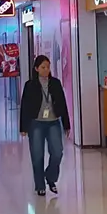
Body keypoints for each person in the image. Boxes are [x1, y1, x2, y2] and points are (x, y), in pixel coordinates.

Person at [19, 55, 70, 196]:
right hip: (36, 123)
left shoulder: (56, 83)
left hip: (53, 122)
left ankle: (50, 177)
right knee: (37, 155)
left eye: (48, 67)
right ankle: (40, 185)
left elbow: (63, 104)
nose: (46, 70)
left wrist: (66, 124)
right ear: (36, 68)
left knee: (57, 152)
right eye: (43, 67)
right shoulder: (30, 85)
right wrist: (23, 127)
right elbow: (24, 107)